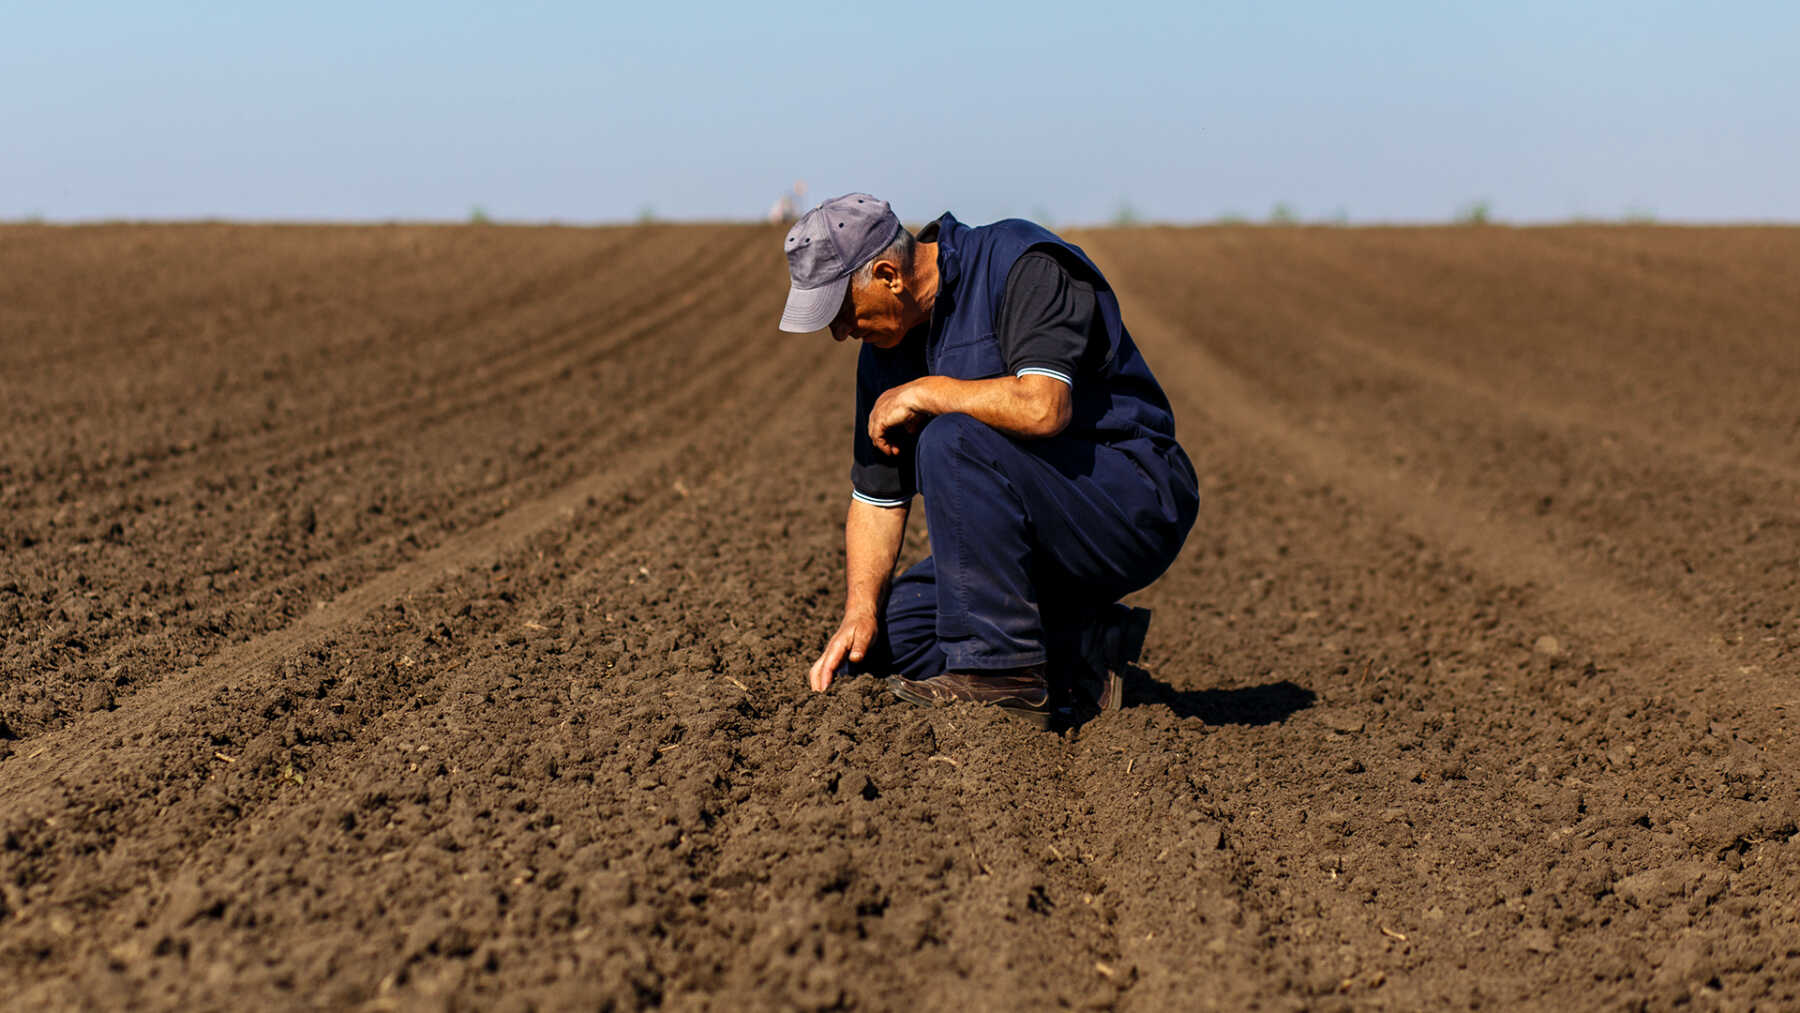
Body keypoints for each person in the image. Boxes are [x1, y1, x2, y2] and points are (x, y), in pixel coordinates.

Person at [776, 194, 1198, 727]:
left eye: (841, 313)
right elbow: (878, 498)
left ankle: (1006, 677)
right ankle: (1084, 644)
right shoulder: (886, 351)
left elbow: (1044, 408)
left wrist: (930, 391)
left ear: (888, 275)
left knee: (951, 437)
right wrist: (859, 610)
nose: (840, 333)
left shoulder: (1023, 264)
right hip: (1040, 524)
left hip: (1125, 499)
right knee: (901, 634)